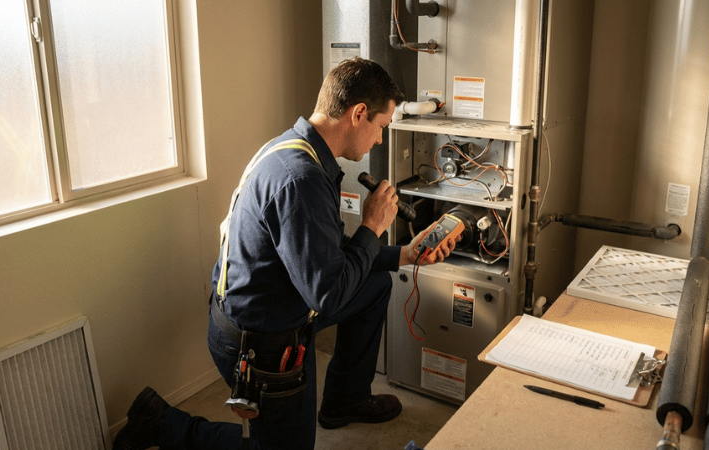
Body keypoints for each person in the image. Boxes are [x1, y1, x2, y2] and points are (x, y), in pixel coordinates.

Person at [113, 57, 457, 450]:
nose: (380, 139)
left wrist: (405, 255)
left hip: (285, 303)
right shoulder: (301, 178)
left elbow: (328, 256)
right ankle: (161, 422)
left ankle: (343, 401)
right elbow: (329, 293)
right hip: (257, 343)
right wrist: (371, 227)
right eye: (381, 127)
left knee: (375, 282)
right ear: (358, 114)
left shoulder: (299, 149)